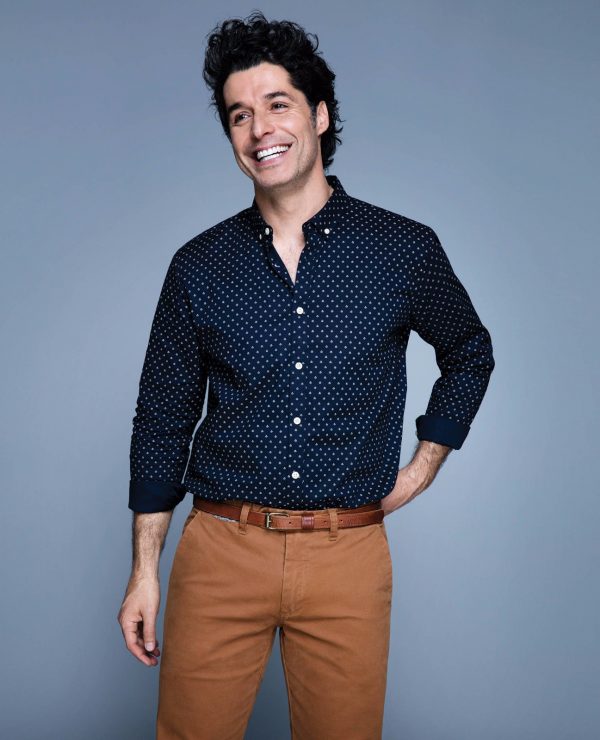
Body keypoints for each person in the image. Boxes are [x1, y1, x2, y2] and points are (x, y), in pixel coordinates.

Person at [117, 10, 495, 740]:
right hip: (221, 550)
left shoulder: (403, 249)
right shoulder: (198, 266)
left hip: (346, 554)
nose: (260, 129)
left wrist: (422, 467)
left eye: (277, 104)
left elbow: (469, 349)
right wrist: (143, 572)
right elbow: (162, 419)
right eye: (239, 115)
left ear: (319, 116)